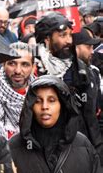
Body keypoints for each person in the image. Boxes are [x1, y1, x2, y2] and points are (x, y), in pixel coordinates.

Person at [34, 12, 103, 158]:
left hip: (85, 153)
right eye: (62, 35)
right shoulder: (33, 72)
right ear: (47, 38)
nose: (69, 41)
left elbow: (92, 120)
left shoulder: (83, 71)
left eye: (70, 35)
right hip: (49, 155)